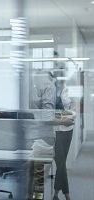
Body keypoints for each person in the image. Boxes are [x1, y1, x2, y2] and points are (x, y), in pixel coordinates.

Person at [52, 61, 74, 200]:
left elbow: (73, 107)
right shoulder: (49, 88)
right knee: (60, 163)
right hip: (55, 129)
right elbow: (46, 112)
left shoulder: (67, 87)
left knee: (62, 163)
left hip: (68, 128)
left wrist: (72, 112)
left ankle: (56, 194)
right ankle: (66, 195)